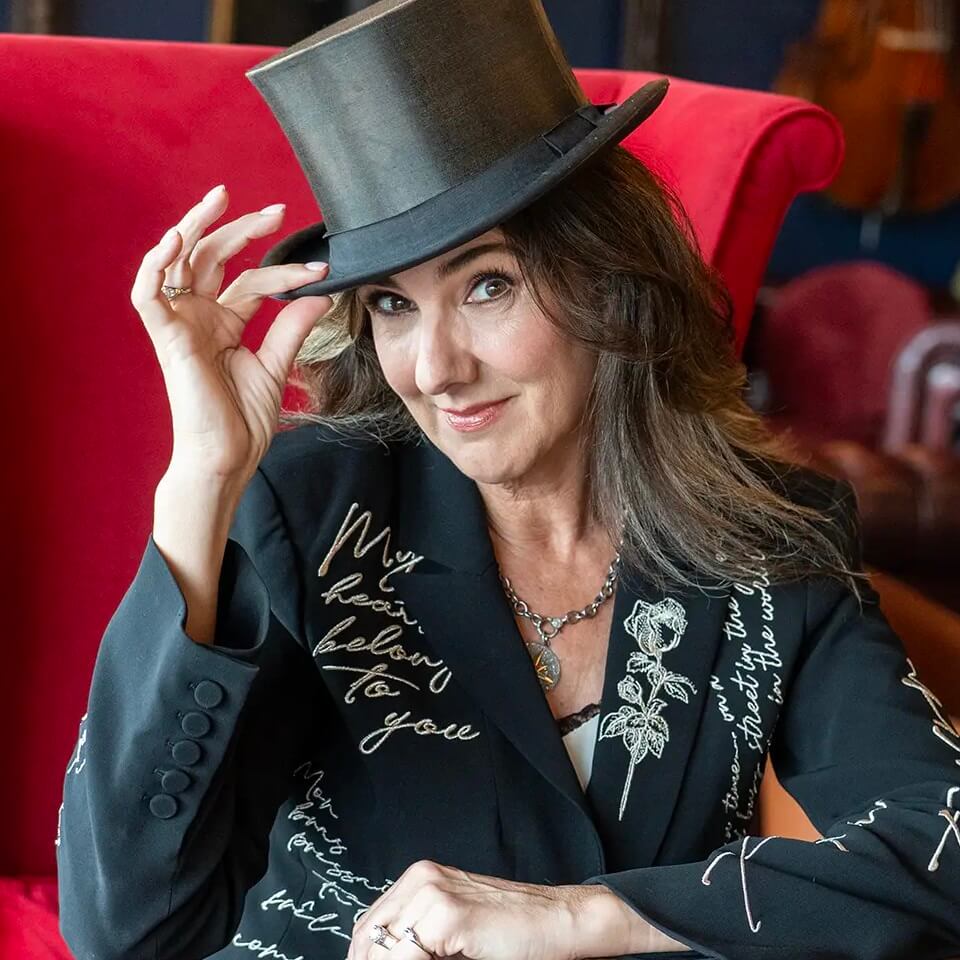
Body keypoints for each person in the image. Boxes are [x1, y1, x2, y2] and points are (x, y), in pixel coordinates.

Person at [55, 1, 960, 959]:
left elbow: (940, 854)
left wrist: (586, 918)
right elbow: (126, 927)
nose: (435, 368)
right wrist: (201, 481)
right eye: (393, 305)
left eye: (489, 285)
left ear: (610, 278)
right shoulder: (310, 511)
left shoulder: (767, 533)